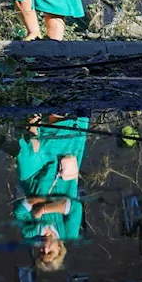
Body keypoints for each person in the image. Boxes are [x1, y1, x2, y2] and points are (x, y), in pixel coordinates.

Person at [12, 114, 88, 272]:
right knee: (60, 134)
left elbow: (19, 209)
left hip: (33, 177)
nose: (44, 249)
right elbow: (74, 207)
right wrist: (42, 209)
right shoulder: (68, 233)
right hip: (61, 173)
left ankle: (33, 116)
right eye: (50, 252)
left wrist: (53, 204)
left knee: (25, 155)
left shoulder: (30, 233)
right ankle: (58, 113)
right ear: (60, 250)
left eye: (41, 253)